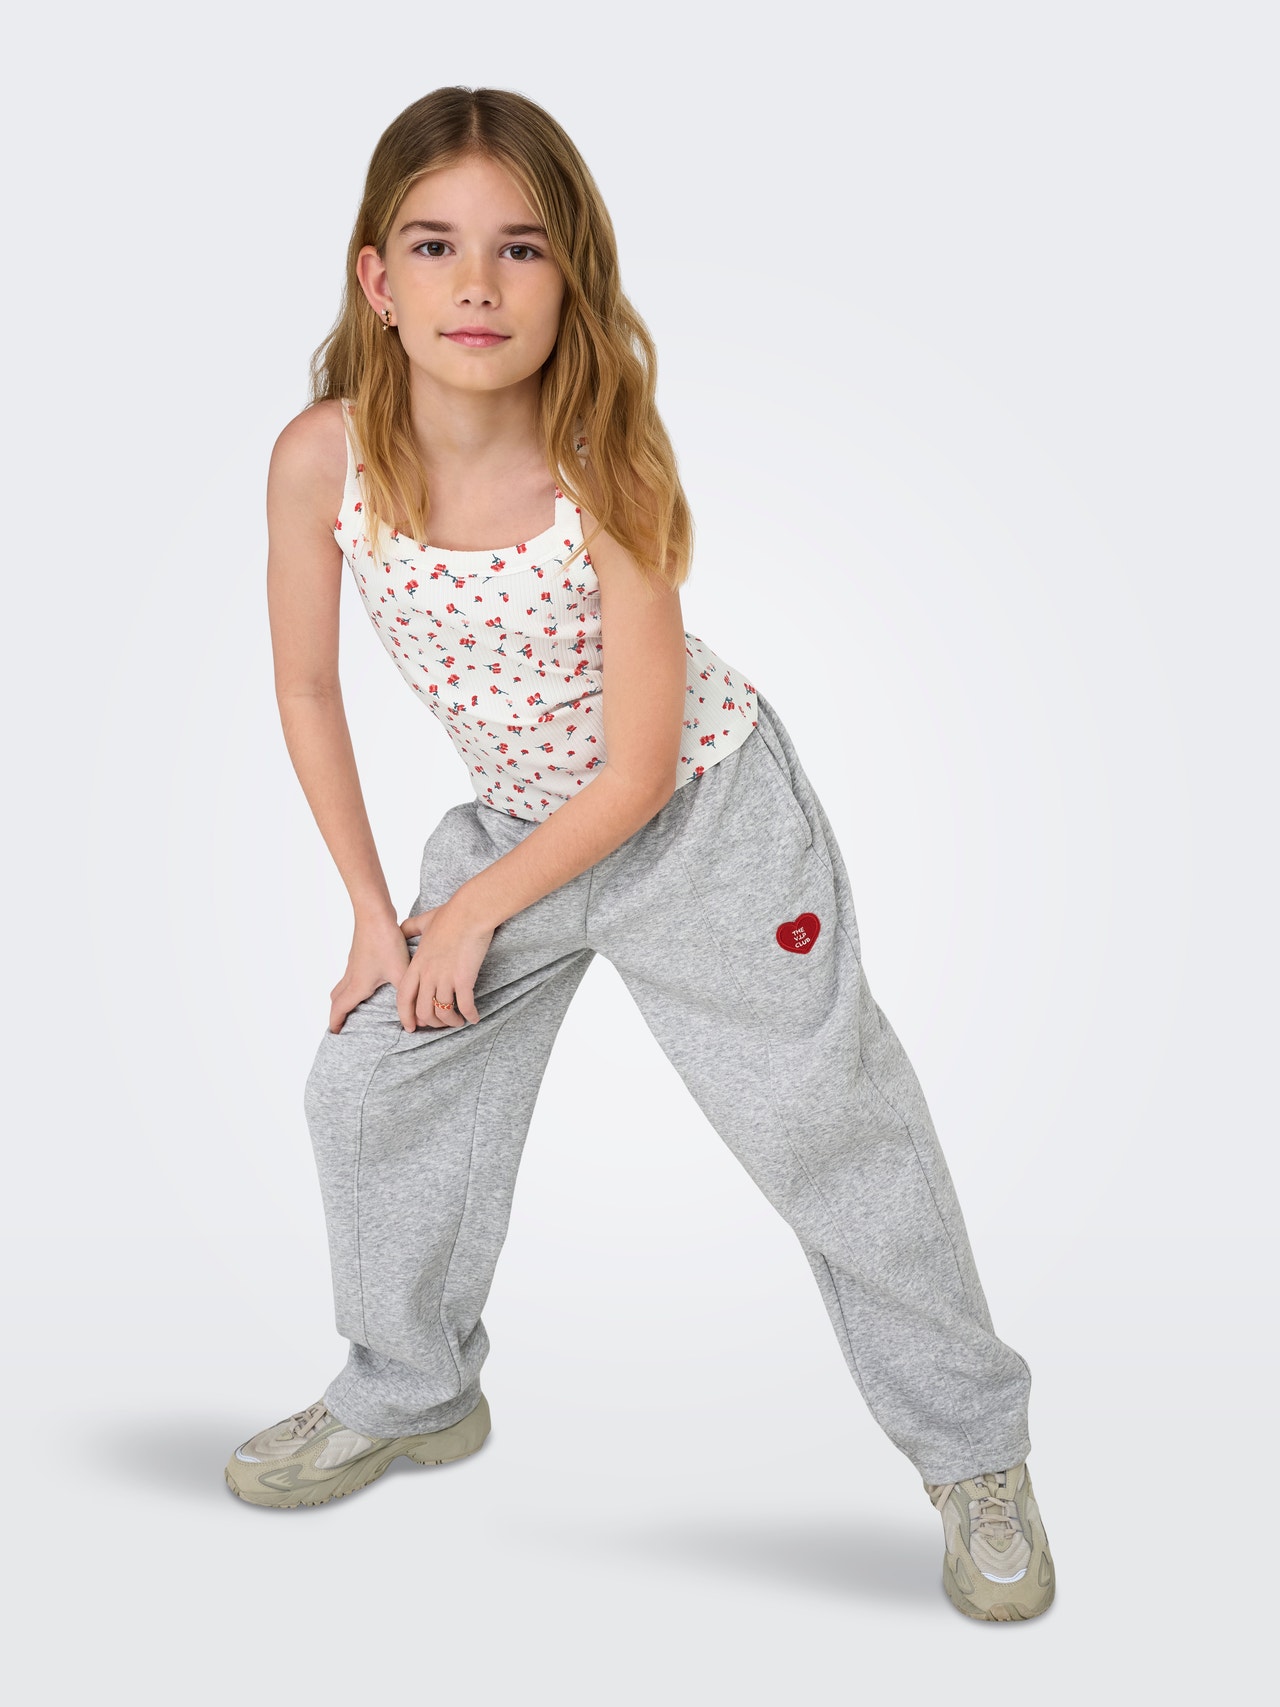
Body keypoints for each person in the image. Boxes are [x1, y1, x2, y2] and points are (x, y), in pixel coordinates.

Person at [224, 85, 1055, 1622]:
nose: (478, 283)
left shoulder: (602, 461)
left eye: (522, 247)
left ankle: (975, 1456)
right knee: (369, 1085)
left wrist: (470, 912)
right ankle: (412, 1390)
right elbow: (306, 688)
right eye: (436, 245)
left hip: (705, 826)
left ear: (572, 278)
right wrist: (374, 914)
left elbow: (638, 770)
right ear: (376, 279)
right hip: (517, 828)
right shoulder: (319, 460)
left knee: (827, 1126)